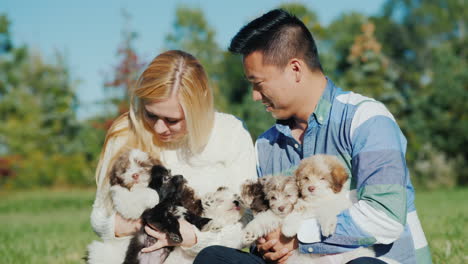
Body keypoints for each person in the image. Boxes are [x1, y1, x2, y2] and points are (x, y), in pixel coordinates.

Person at [194, 9, 431, 264]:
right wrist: (266, 243)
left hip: (370, 259)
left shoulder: (367, 119)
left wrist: (298, 237)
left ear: (295, 69)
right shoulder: (266, 144)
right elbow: (264, 221)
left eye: (258, 83)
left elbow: (385, 217)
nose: (254, 95)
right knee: (213, 258)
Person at [90, 50, 257, 262]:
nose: (159, 128)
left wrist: (194, 238)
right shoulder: (126, 133)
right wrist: (142, 225)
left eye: (172, 120)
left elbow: (247, 221)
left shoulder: (230, 133)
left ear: (199, 109)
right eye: (150, 114)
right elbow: (100, 215)